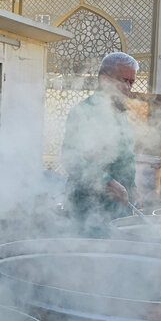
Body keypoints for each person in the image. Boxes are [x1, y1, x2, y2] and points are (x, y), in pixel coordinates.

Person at [60, 51, 142, 236]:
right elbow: (71, 159)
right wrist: (108, 183)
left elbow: (125, 157)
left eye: (131, 82)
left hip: (118, 211)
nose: (128, 88)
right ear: (104, 79)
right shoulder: (83, 112)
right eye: (123, 80)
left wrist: (133, 186)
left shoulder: (119, 113)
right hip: (88, 213)